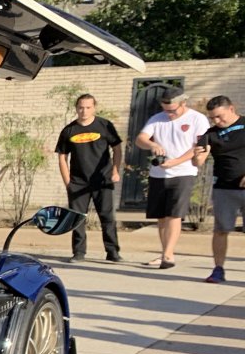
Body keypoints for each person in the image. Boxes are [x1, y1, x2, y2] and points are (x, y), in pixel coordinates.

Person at [134, 86, 209, 269]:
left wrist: (176, 162)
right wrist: (152, 145)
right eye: (165, 110)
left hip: (183, 172)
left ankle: (168, 255)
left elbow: (199, 147)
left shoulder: (197, 119)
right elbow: (140, 139)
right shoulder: (157, 118)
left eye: (173, 110)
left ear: (183, 103)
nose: (169, 114)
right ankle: (164, 253)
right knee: (161, 216)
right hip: (158, 174)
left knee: (174, 215)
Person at [55, 93, 123, 262]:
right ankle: (79, 252)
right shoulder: (69, 130)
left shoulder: (104, 125)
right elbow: (62, 157)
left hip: (102, 180)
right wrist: (68, 182)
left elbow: (117, 148)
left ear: (94, 108)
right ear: (76, 108)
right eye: (81, 107)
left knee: (107, 217)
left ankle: (112, 252)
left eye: (88, 107)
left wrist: (115, 171)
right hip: (78, 182)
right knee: (77, 218)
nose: (84, 111)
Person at [193, 95, 245, 284]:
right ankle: (218, 269)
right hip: (223, 188)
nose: (216, 121)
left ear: (231, 109)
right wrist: (197, 156)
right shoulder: (210, 134)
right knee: (221, 229)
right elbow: (198, 162)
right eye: (212, 117)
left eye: (219, 116)